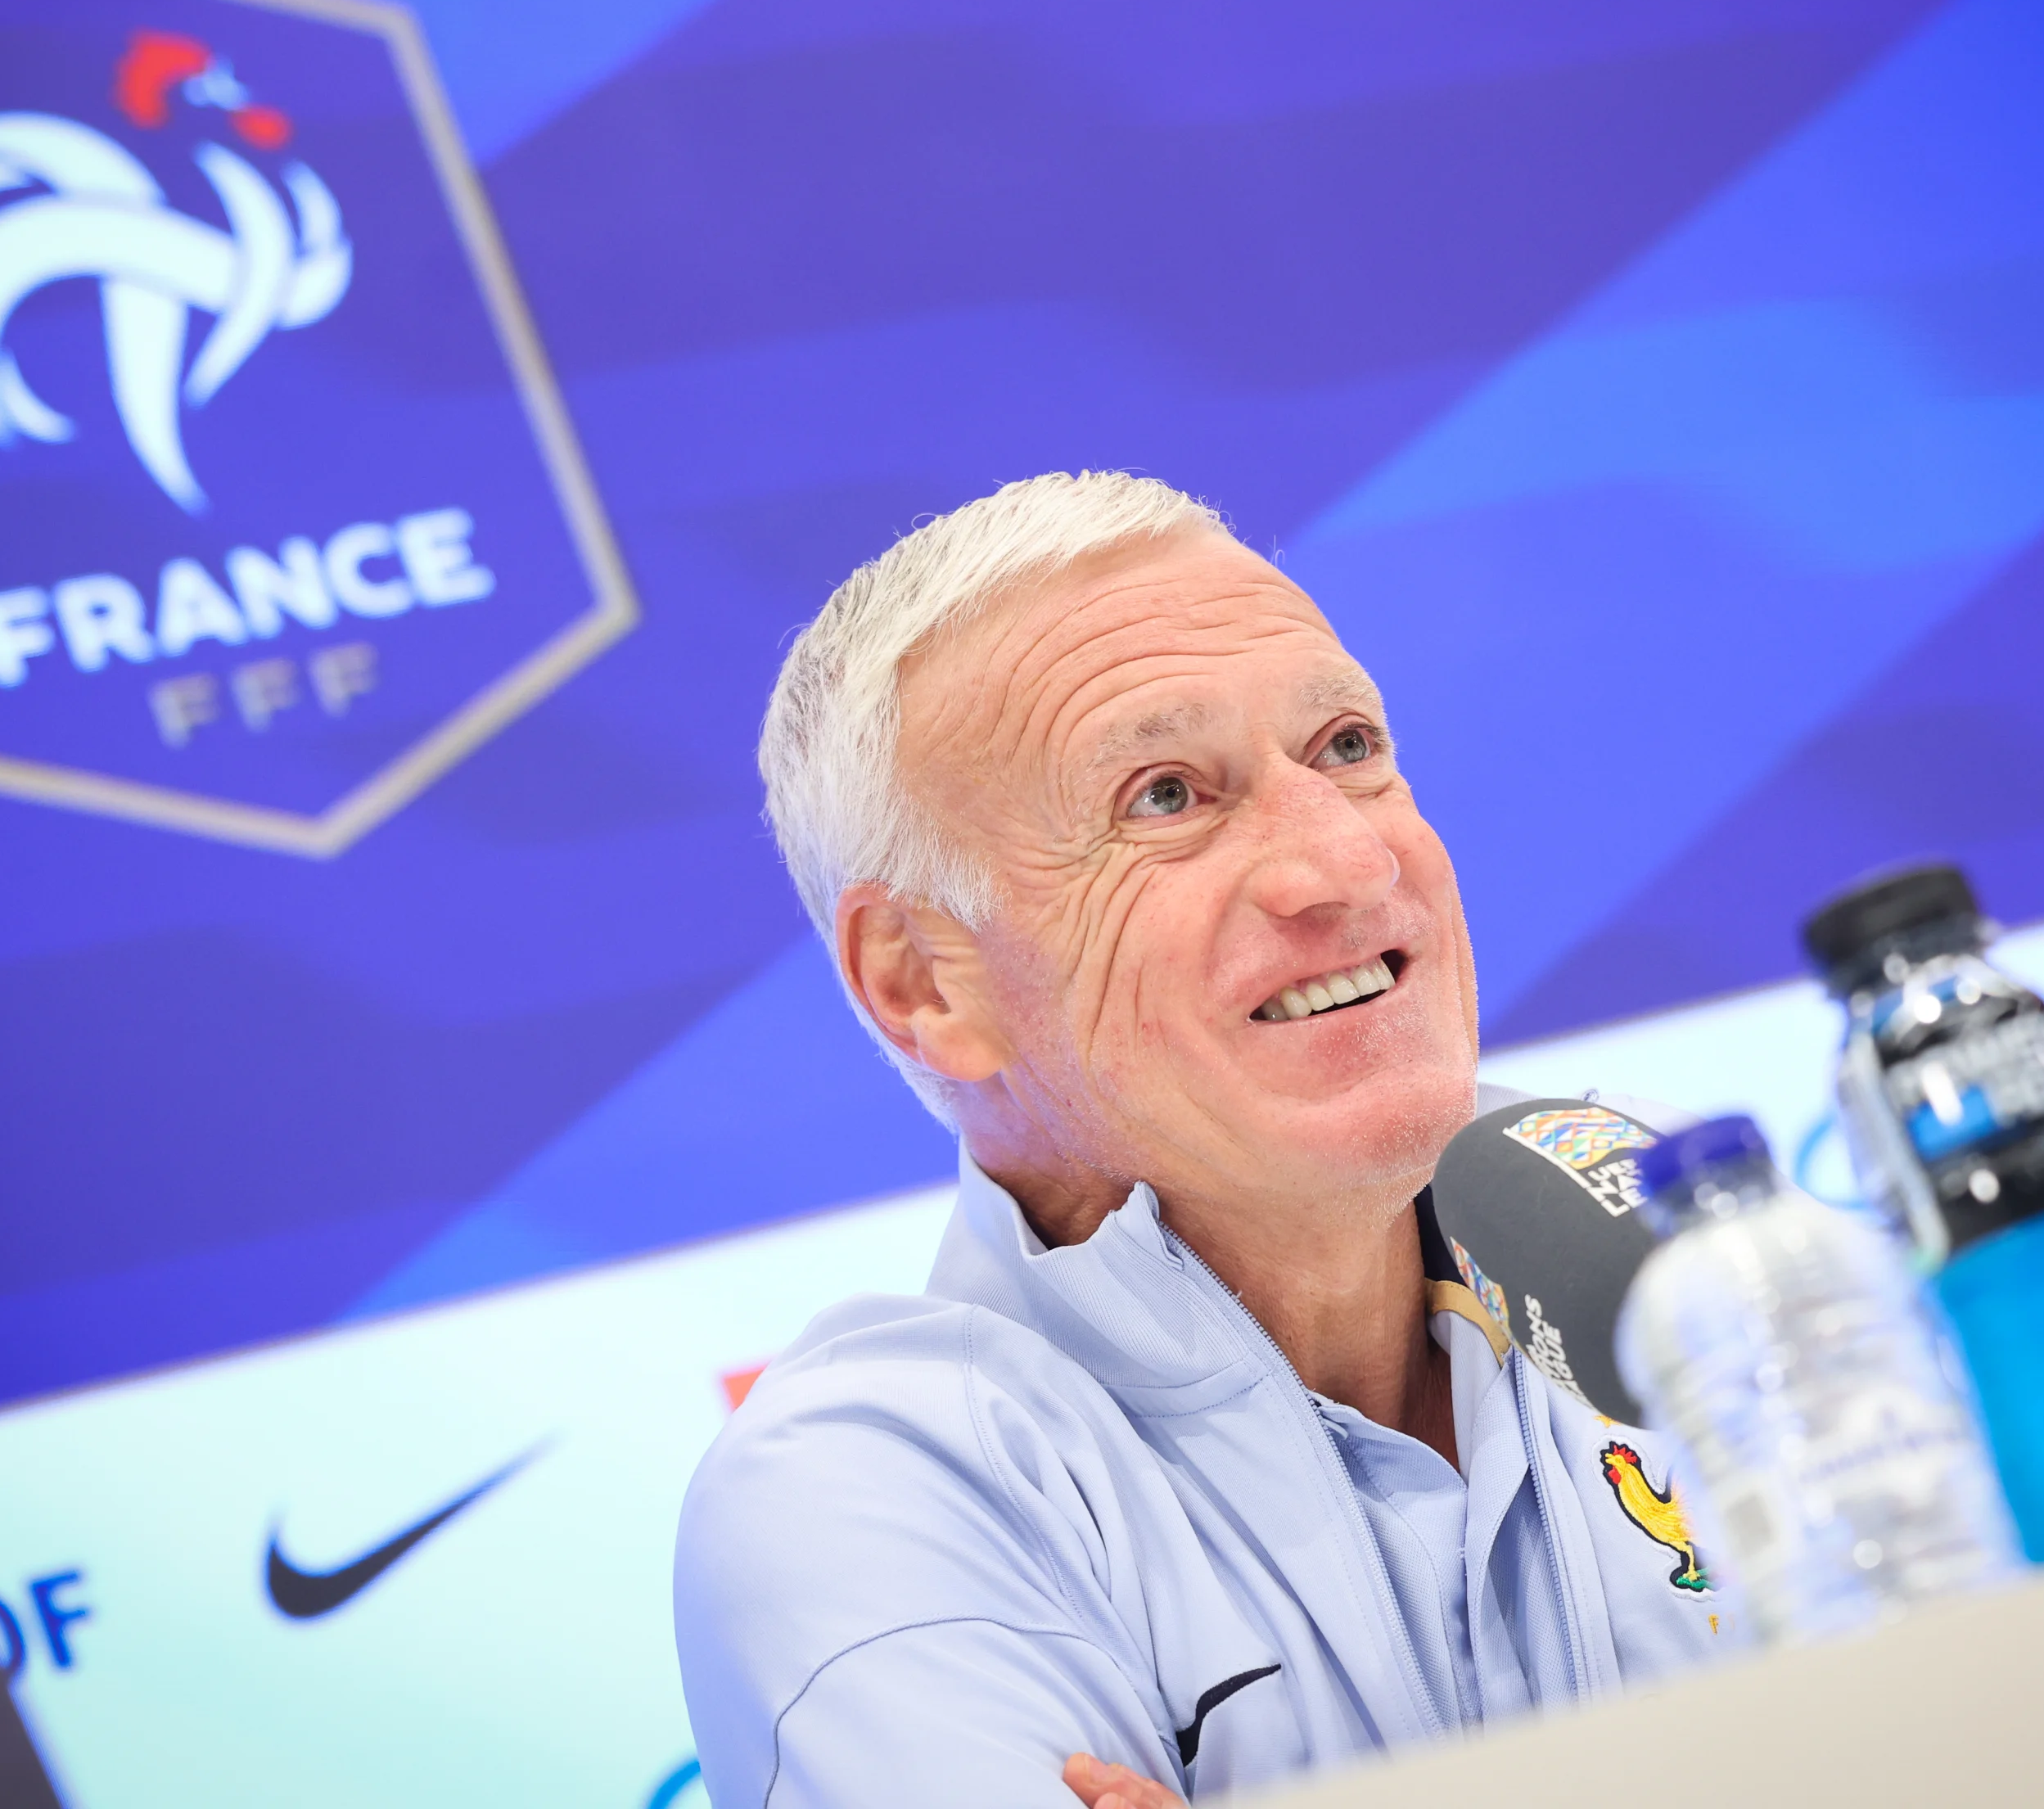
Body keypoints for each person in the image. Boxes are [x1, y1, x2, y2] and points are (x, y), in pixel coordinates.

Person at [675, 473, 1728, 1807]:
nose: (1344, 867)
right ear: (921, 983)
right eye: (1167, 795)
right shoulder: (864, 1498)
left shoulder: (1662, 1215)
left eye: (1347, 746)